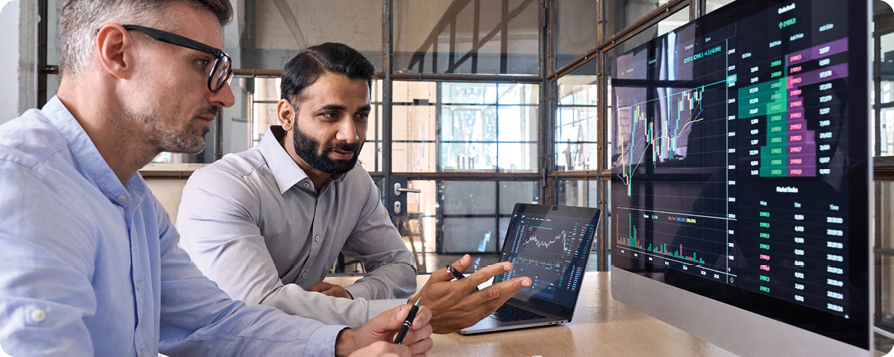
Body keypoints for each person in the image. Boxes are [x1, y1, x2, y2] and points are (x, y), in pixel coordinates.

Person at [0, 1, 433, 356]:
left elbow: (213, 322)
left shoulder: (134, 201)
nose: (225, 95)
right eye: (202, 62)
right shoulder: (23, 182)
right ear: (117, 52)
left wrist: (343, 342)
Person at [176, 42, 533, 334]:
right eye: (330, 115)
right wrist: (411, 311)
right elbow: (260, 307)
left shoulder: (354, 180)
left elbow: (399, 266)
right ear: (286, 115)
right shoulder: (222, 188)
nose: (351, 135)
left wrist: (350, 294)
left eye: (360, 115)